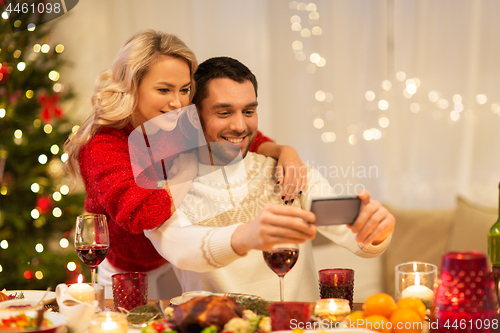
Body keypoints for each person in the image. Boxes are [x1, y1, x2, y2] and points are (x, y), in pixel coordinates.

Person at [63, 31, 309, 299]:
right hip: (126, 271)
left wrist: (285, 151)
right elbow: (142, 214)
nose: (177, 102)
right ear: (132, 85)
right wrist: (190, 160)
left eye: (185, 90)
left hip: (173, 262)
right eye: (163, 89)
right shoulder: (103, 145)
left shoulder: (174, 120)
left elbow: (237, 138)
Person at [145, 56, 396, 302]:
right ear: (193, 117)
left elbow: (349, 230)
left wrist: (373, 229)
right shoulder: (164, 192)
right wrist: (246, 236)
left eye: (249, 111)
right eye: (224, 112)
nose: (240, 125)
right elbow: (183, 250)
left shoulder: (290, 172)